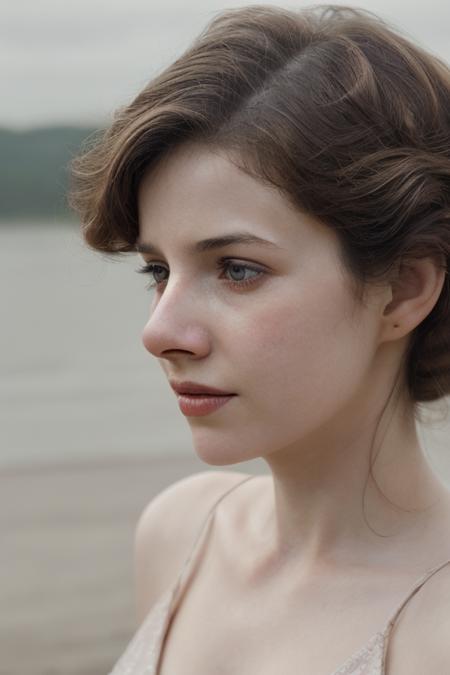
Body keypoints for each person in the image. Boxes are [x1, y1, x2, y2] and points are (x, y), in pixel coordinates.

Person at [69, 4, 450, 673]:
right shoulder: (181, 532)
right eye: (158, 269)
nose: (160, 331)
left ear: (405, 288)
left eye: (237, 269)